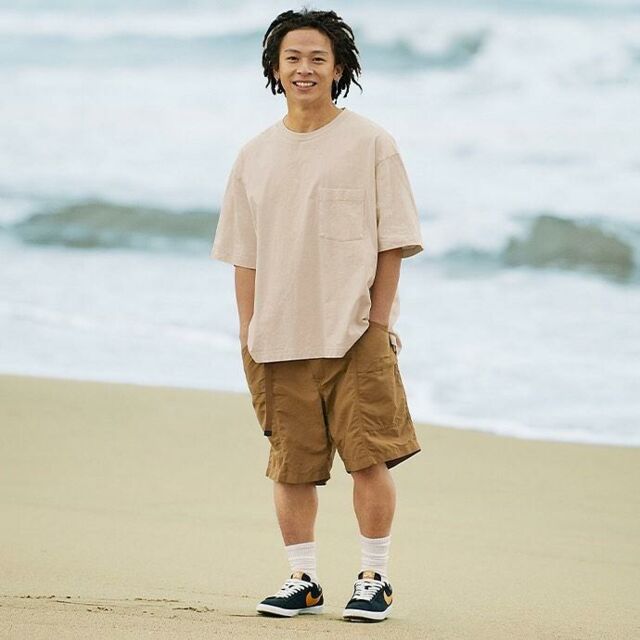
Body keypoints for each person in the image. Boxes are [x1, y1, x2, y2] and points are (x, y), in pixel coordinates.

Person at [210, 8, 424, 623]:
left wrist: (377, 325)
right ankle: (301, 579)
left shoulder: (371, 143)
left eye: (317, 59)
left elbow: (394, 241)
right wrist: (248, 331)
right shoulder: (254, 155)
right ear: (276, 69)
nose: (304, 68)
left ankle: (374, 578)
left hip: (354, 332)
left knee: (368, 457)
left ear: (338, 69)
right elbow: (243, 255)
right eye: (293, 58)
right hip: (276, 336)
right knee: (291, 465)